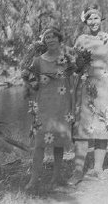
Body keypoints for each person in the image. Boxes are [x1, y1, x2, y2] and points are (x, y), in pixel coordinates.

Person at [69, 5, 108, 184]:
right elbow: (75, 64)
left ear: (101, 20)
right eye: (90, 18)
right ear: (86, 21)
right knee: (83, 128)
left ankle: (98, 168)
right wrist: (78, 69)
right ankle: (77, 171)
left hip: (105, 86)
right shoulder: (81, 39)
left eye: (96, 18)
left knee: (102, 125)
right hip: (86, 85)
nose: (93, 22)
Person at [23, 27, 74, 190]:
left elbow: (75, 75)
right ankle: (34, 179)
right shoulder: (38, 60)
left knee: (58, 141)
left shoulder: (67, 58)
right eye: (47, 38)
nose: (50, 40)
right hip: (43, 105)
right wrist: (35, 83)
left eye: (53, 37)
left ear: (59, 39)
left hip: (62, 104)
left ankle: (56, 177)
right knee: (39, 143)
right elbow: (29, 78)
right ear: (44, 42)